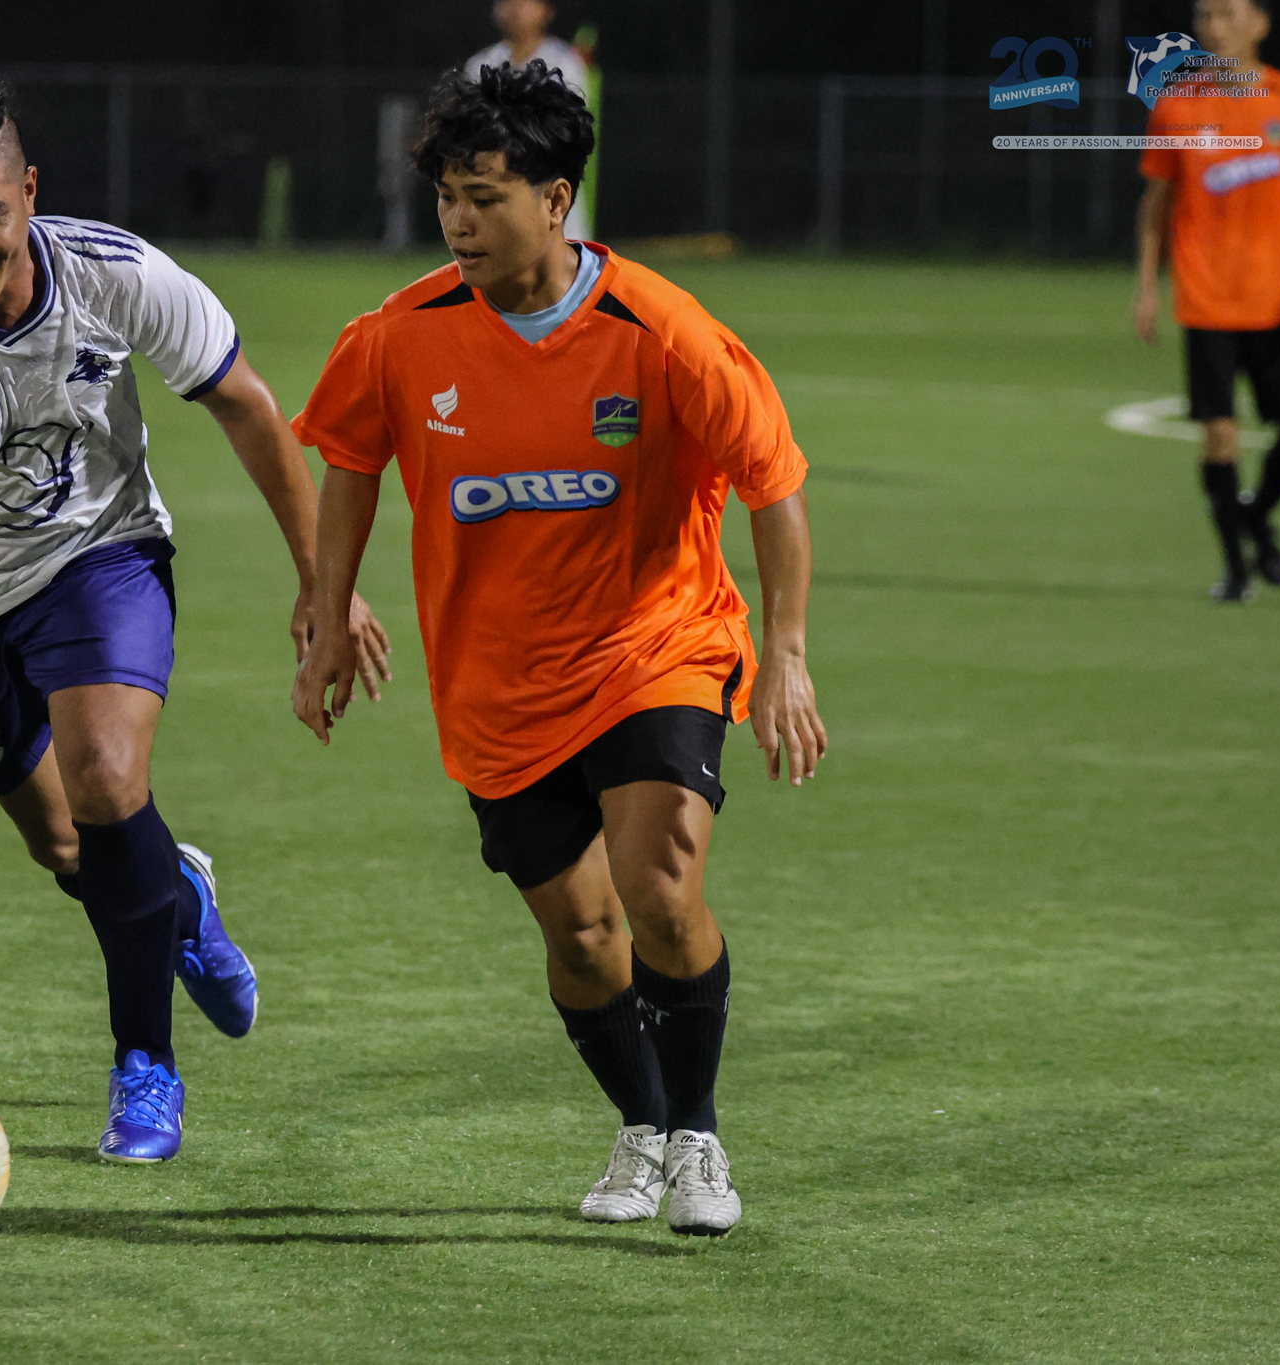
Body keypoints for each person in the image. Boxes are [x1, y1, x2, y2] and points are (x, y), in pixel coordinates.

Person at [0, 80, 389, 1164]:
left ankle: (143, 1071)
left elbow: (247, 404)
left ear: (26, 192)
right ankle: (182, 896)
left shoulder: (115, 274)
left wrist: (321, 582)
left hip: (98, 556)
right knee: (66, 843)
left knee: (107, 780)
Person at [290, 62, 825, 1237]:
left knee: (659, 885)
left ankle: (698, 1138)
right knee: (580, 937)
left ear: (555, 197)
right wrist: (328, 610)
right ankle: (639, 1125)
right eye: (445, 195)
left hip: (657, 647)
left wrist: (783, 655)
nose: (457, 220)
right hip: (495, 678)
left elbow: (772, 484)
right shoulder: (399, 335)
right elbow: (346, 456)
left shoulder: (660, 330)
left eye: (483, 195)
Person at [1133, 0, 1280, 602]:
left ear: (1260, 24)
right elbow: (1155, 206)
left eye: (1227, 14)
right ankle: (1235, 568)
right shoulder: (1178, 105)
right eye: (1203, 16)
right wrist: (1147, 286)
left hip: (1279, 300)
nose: (1212, 27)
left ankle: (1254, 517)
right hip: (1206, 301)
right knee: (1220, 436)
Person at [465, 0, 590, 240]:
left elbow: (565, 128)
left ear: (548, 11)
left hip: (548, 183)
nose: (513, 10)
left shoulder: (565, 63)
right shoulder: (480, 64)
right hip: (495, 187)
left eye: (524, 3)